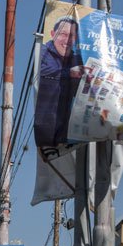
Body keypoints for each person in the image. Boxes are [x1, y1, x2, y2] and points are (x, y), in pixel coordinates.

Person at [35, 15, 87, 148]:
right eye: (63, 34)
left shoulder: (76, 58)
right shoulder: (44, 51)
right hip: (48, 126)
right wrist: (68, 73)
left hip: (70, 125)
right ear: (52, 34)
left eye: (72, 36)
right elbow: (44, 71)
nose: (68, 40)